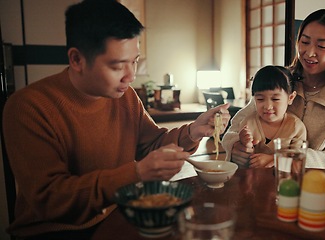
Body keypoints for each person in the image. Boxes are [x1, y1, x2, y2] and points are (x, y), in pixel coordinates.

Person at [2, 0, 230, 238]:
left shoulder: (125, 97)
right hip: (53, 230)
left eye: (134, 61)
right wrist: (137, 174)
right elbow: (51, 199)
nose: (130, 76)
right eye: (118, 66)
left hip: (116, 215)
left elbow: (151, 145)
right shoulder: (28, 107)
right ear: (77, 60)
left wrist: (193, 131)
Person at [222, 9, 325, 171]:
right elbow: (237, 127)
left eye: (321, 46)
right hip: (257, 181)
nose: (309, 52)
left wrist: (288, 160)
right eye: (305, 42)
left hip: (312, 187)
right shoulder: (280, 81)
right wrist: (236, 147)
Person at [235, 65, 306, 168]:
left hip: (283, 181)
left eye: (275, 99)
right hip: (253, 180)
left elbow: (297, 161)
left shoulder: (296, 127)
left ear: (290, 98)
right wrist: (245, 145)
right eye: (260, 99)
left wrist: (274, 159)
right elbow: (241, 163)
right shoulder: (248, 123)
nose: (268, 106)